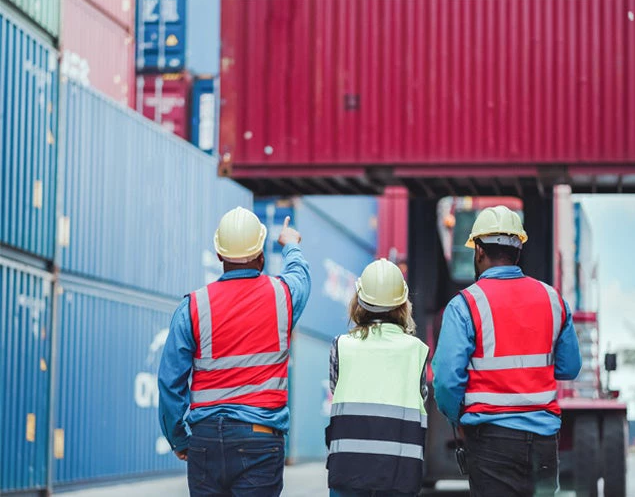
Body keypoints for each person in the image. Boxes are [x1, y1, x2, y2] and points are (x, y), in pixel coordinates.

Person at [158, 207, 310, 497]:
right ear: (261, 253)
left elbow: (169, 382)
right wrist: (291, 243)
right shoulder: (284, 296)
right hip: (260, 439)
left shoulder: (193, 307)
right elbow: (300, 276)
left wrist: (179, 439)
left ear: (219, 255)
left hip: (205, 442)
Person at [432, 206, 582, 497]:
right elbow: (569, 367)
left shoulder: (465, 304)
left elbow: (447, 380)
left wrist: (456, 419)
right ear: (519, 251)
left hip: (490, 442)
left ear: (478, 250)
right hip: (544, 440)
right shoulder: (553, 299)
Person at [326, 259, 429, 497]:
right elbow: (421, 397)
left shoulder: (341, 346)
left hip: (347, 469)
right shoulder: (416, 350)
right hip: (400, 472)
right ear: (403, 304)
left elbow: (336, 385)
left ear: (359, 300)